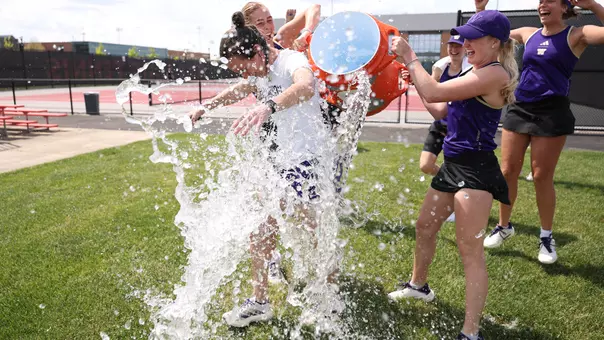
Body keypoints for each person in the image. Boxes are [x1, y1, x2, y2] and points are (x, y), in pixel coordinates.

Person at [387, 10, 518, 340]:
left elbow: (435, 92)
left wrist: (410, 57)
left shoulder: (494, 74)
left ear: (494, 42)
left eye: (474, 38)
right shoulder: (477, 70)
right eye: (465, 37)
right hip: (454, 165)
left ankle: (470, 333)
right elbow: (440, 108)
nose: (466, 43)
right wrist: (415, 77)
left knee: (469, 250)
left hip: (476, 171)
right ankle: (419, 286)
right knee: (426, 227)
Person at [201, 11, 331, 328]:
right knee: (259, 229)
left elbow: (307, 85)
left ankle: (328, 298)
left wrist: (269, 105)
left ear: (258, 51)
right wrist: (206, 106)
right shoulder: (260, 70)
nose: (245, 74)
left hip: (305, 160)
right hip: (277, 161)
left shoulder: (290, 61)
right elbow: (241, 88)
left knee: (314, 235)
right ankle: (259, 302)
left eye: (243, 65)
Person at [479, 0, 604, 264]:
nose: (542, 5)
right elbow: (489, 34)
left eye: (549, 1)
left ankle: (546, 236)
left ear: (564, 7)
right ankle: (504, 226)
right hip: (520, 107)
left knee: (540, 176)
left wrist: (593, 5)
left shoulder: (577, 35)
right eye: (540, 1)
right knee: (507, 171)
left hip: (552, 112)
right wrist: (481, 10)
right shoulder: (528, 33)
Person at [417, 35, 469, 223]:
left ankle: (456, 203)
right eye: (451, 46)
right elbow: (429, 89)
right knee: (426, 165)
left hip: (459, 129)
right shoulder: (441, 68)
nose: (454, 49)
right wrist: (415, 79)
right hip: (440, 125)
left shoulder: (469, 71)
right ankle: (455, 186)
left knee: (455, 169)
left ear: (465, 48)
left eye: (458, 46)